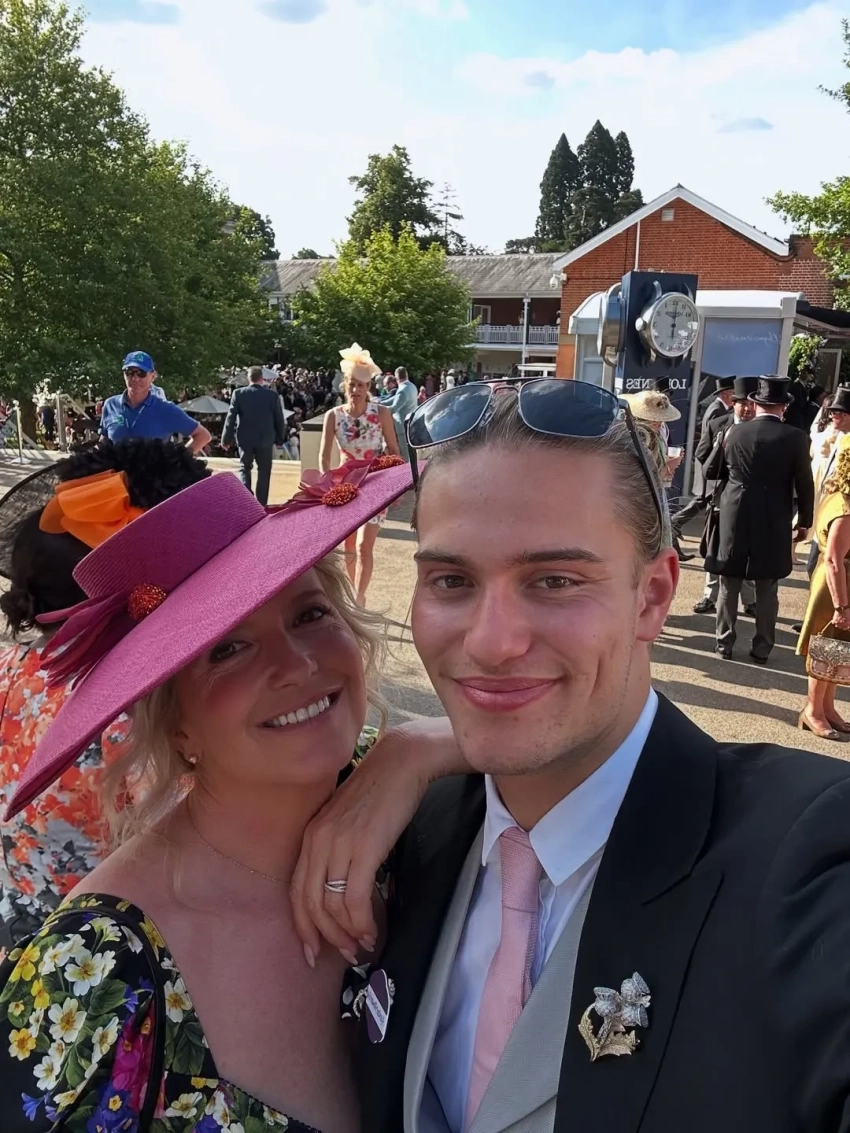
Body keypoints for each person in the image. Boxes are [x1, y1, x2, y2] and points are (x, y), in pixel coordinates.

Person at [295, 376, 850, 1133]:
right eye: (451, 580)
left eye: (555, 580)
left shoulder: (810, 854)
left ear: (652, 596)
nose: (492, 642)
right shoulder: (409, 833)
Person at [0, 456, 448, 1133]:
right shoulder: (93, 971)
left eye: (310, 613)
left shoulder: (411, 808)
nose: (297, 664)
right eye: (228, 649)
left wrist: (421, 748)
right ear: (174, 723)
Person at [0, 441, 211, 949]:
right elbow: (190, 842)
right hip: (105, 945)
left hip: (19, 914)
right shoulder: (134, 711)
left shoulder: (9, 669)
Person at [706, 375, 814, 663]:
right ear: (784, 407)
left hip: (735, 511)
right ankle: (762, 647)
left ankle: (723, 642)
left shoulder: (733, 433)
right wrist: (805, 520)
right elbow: (805, 483)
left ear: (755, 404)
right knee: (767, 585)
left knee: (729, 581)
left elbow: (714, 472)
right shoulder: (796, 437)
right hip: (774, 515)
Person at [321, 344, 400, 605]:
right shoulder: (333, 416)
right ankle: (353, 596)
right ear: (345, 385)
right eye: (352, 385)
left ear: (368, 388)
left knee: (364, 545)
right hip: (345, 487)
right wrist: (327, 487)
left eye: (361, 386)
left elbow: (394, 451)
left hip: (376, 484)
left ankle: (360, 597)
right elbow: (324, 456)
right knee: (348, 547)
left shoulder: (381, 413)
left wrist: (396, 486)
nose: (356, 390)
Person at [796, 433, 850, 739]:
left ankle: (827, 708)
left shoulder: (840, 494)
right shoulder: (845, 507)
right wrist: (842, 606)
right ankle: (812, 711)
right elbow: (833, 560)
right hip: (835, 585)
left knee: (838, 647)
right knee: (826, 645)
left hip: (840, 580)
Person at [692, 376, 758, 616]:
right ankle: (709, 596)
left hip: (751, 498)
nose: (748, 409)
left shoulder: (761, 429)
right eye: (743, 404)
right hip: (721, 496)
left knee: (747, 549)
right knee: (716, 547)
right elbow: (701, 454)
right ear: (734, 403)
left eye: (752, 404)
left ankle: (750, 600)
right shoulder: (719, 424)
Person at [623, 390, 692, 563]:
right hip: (642, 498)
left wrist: (667, 463)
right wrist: (668, 466)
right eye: (656, 418)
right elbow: (640, 474)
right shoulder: (642, 435)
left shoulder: (646, 433)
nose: (659, 422)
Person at [100, 352, 211, 454]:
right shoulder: (110, 405)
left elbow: (203, 436)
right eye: (130, 372)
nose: (135, 378)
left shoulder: (166, 409)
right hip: (116, 469)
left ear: (153, 376)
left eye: (141, 373)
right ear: (124, 375)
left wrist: (179, 461)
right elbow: (104, 441)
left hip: (153, 470)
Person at [670, 375, 736, 534]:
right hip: (709, 461)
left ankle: (680, 524)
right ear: (725, 394)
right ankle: (675, 522)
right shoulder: (717, 411)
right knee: (704, 498)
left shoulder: (718, 408)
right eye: (733, 393)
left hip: (709, 461)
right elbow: (713, 439)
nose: (735, 398)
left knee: (706, 499)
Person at [221, 364, 286, 505]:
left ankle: (247, 501)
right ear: (262, 378)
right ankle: (261, 504)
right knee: (264, 471)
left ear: (248, 378)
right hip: (265, 439)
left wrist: (226, 439)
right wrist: (280, 438)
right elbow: (279, 419)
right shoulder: (271, 396)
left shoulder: (238, 394)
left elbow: (230, 418)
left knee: (244, 468)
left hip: (245, 438)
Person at [381, 366, 419, 463]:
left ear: (396, 377)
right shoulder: (412, 386)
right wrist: (378, 403)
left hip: (403, 427)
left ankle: (408, 471)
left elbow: (394, 408)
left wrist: (379, 410)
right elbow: (393, 400)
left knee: (406, 455)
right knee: (411, 452)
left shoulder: (402, 390)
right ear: (406, 375)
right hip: (411, 424)